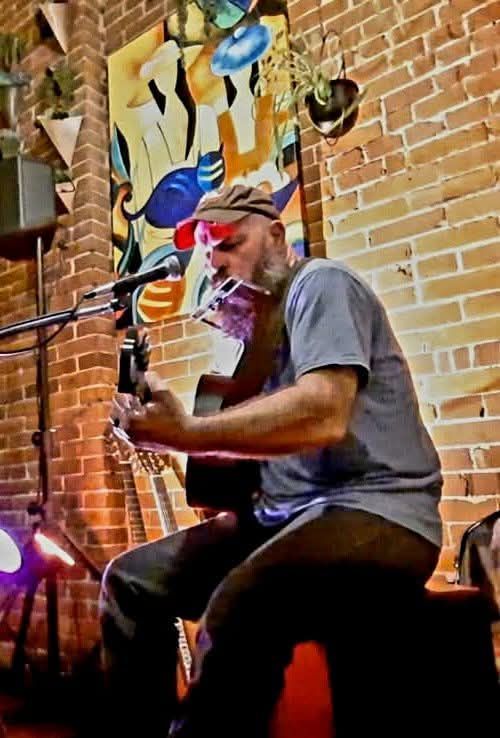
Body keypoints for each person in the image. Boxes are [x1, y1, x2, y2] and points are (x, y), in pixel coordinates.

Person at [101, 184, 443, 738]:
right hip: (285, 516)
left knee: (240, 606)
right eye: (207, 252)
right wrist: (165, 425)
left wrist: (186, 434)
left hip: (379, 510)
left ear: (278, 237)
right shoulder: (254, 341)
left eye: (229, 243)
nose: (215, 262)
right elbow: (239, 462)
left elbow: (323, 412)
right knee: (130, 582)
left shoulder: (320, 284)